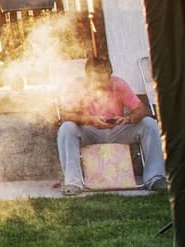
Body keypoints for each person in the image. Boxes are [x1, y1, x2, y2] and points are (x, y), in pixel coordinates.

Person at [56, 56, 166, 195]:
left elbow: (142, 109)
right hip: (89, 132)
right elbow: (65, 115)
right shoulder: (77, 87)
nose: (101, 85)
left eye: (104, 80)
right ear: (87, 76)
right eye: (96, 81)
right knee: (66, 128)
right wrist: (89, 119)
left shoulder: (119, 84)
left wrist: (128, 119)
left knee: (149, 124)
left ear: (110, 74)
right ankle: (73, 182)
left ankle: (155, 178)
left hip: (117, 131)